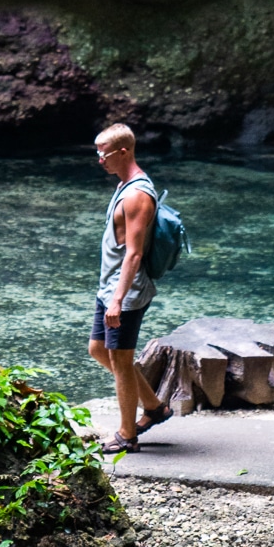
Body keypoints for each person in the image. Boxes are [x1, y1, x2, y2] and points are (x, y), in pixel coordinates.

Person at [89, 122, 172, 453]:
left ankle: (127, 435)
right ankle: (154, 407)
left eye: (104, 153)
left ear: (123, 152)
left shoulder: (137, 195)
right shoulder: (125, 185)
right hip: (109, 287)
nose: (100, 160)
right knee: (98, 350)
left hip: (126, 293)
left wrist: (118, 301)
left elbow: (135, 254)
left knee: (121, 361)